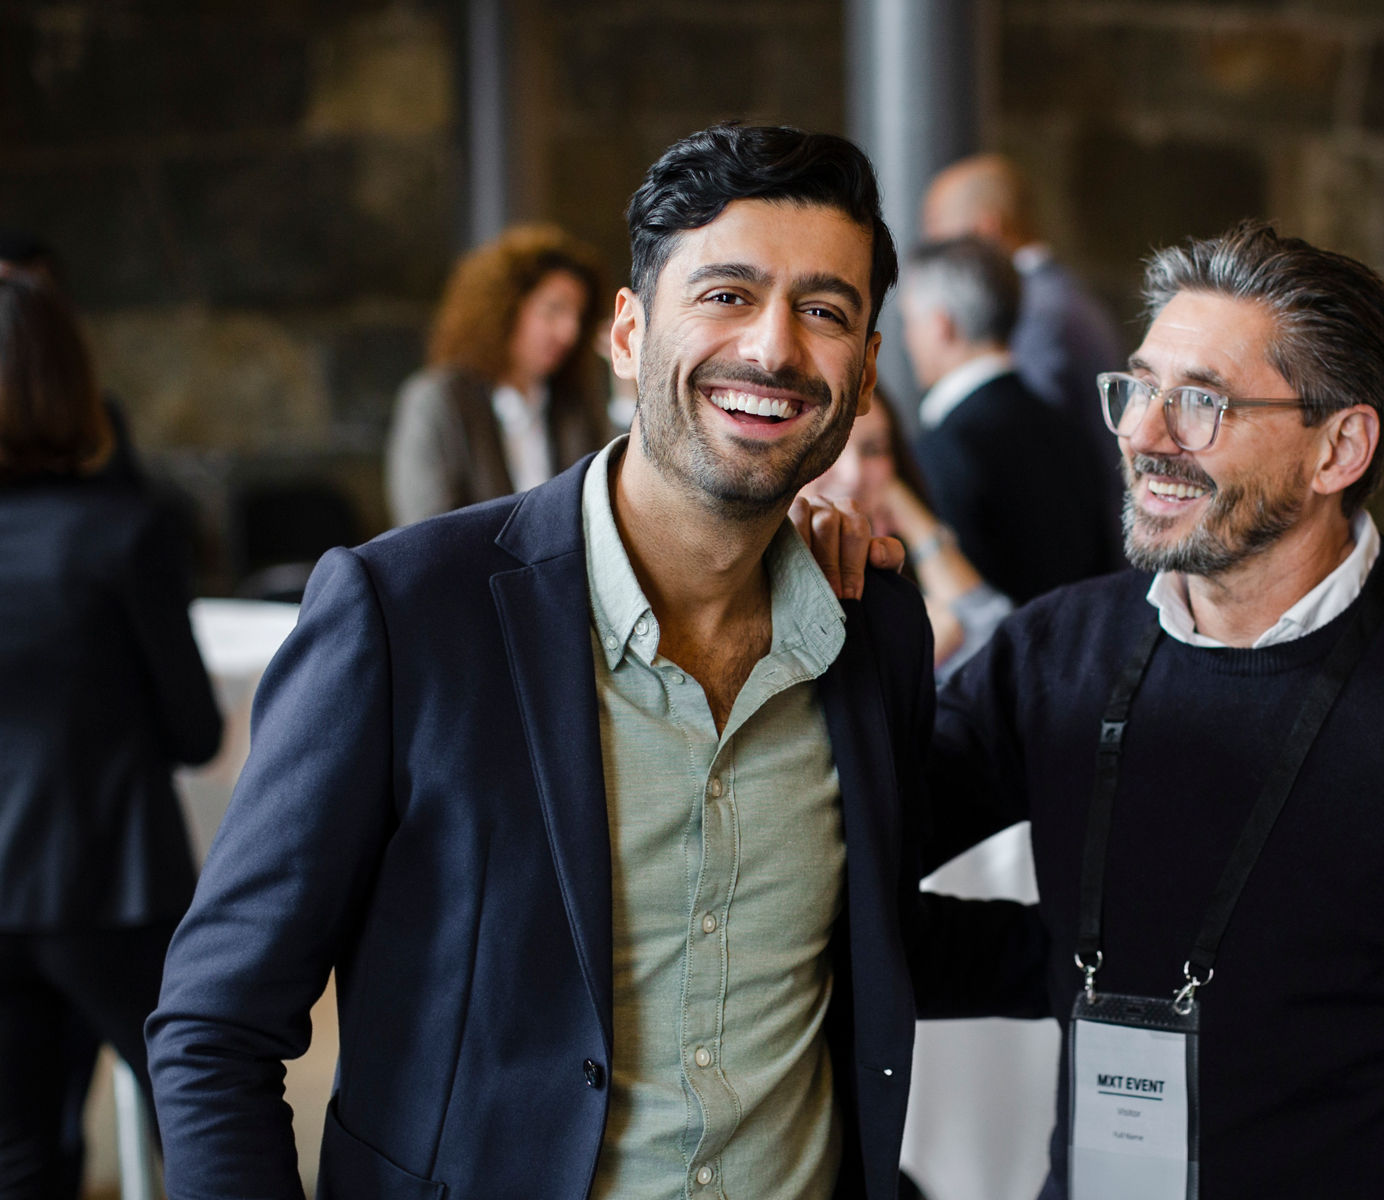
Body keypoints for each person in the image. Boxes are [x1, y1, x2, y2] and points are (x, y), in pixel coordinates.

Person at [148, 124, 1026, 1200]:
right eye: (724, 295)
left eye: (825, 311)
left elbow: (862, 933)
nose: (773, 348)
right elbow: (215, 1027)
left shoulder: (870, 631)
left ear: (868, 366)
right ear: (626, 332)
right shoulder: (408, 614)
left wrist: (1147, 963)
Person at [918, 221, 1384, 1197]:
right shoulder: (1053, 652)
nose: (1141, 433)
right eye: (1138, 387)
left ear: (1338, 446)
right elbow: (842, 866)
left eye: (1199, 402)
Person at [0, 272, 222, 1195]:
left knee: (19, 1155)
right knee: (203, 1111)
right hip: (113, 884)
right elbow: (195, 732)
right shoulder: (125, 535)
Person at [901, 236, 1119, 604]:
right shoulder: (1066, 428)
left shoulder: (944, 449)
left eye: (909, 322)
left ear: (942, 327)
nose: (907, 338)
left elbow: (963, 610)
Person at [385, 223, 610, 526]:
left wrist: (627, 390)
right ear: (505, 308)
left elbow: (612, 506)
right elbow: (426, 533)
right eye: (553, 310)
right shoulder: (436, 400)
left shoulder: (570, 404)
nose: (570, 332)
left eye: (578, 317)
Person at [922, 154, 1125, 462]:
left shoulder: (1038, 312)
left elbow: (1026, 441)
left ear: (987, 229)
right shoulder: (1057, 293)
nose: (934, 259)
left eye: (941, 239)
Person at [797, 394, 1012, 676]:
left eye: (873, 449)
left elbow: (1002, 643)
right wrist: (919, 656)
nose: (854, 474)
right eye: (829, 447)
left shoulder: (888, 572)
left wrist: (917, 524)